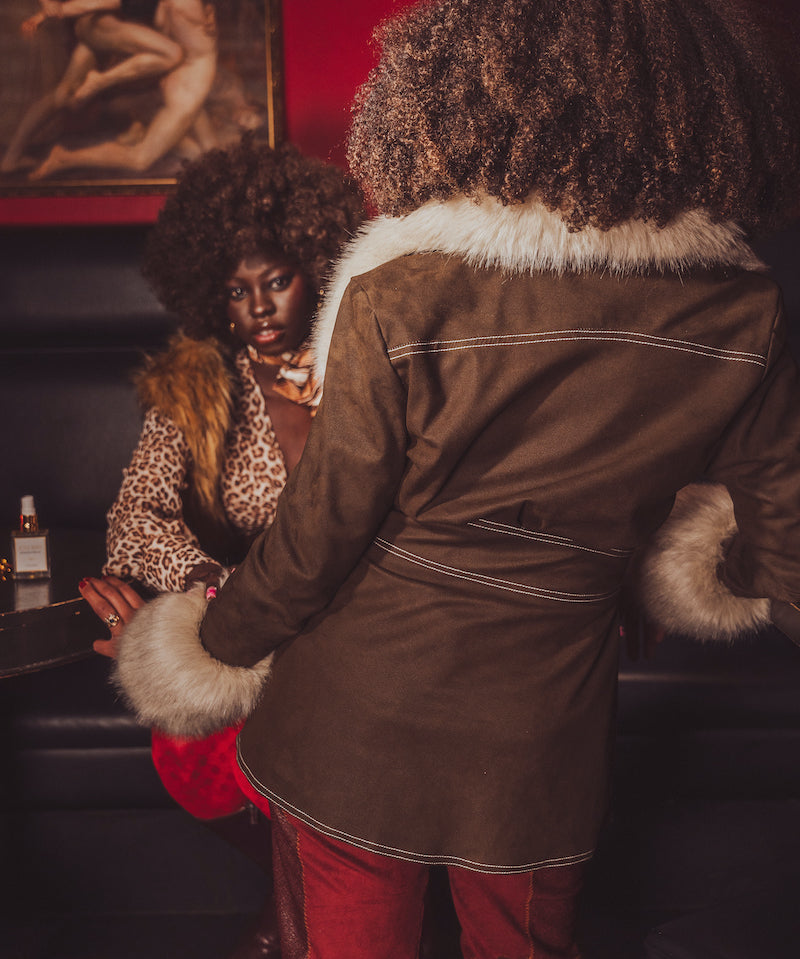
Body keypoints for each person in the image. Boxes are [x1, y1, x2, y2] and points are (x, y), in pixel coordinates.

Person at [114, 1, 800, 957]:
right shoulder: (747, 310)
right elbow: (782, 543)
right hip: (541, 741)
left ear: (450, 106)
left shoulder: (398, 291)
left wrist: (208, 643)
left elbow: (321, 534)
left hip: (354, 718)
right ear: (698, 107)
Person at [78, 135, 364, 959]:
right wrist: (216, 588)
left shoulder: (363, 370)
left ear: (316, 262)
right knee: (193, 743)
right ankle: (304, 911)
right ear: (212, 297)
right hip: (250, 632)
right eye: (237, 293)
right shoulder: (197, 388)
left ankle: (291, 926)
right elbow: (134, 517)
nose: (261, 309)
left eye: (277, 280)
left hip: (363, 625)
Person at [29, 0, 218, 179]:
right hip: (184, 77)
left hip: (188, 78)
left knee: (208, 150)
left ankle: (143, 131)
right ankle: (65, 158)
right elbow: (106, 2)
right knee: (141, 159)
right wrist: (51, 11)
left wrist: (53, 12)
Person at [2, 0, 184, 174]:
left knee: (64, 94)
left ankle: (12, 157)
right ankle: (104, 85)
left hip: (101, 26)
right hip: (99, 27)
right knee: (169, 56)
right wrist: (46, 11)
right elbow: (98, 2)